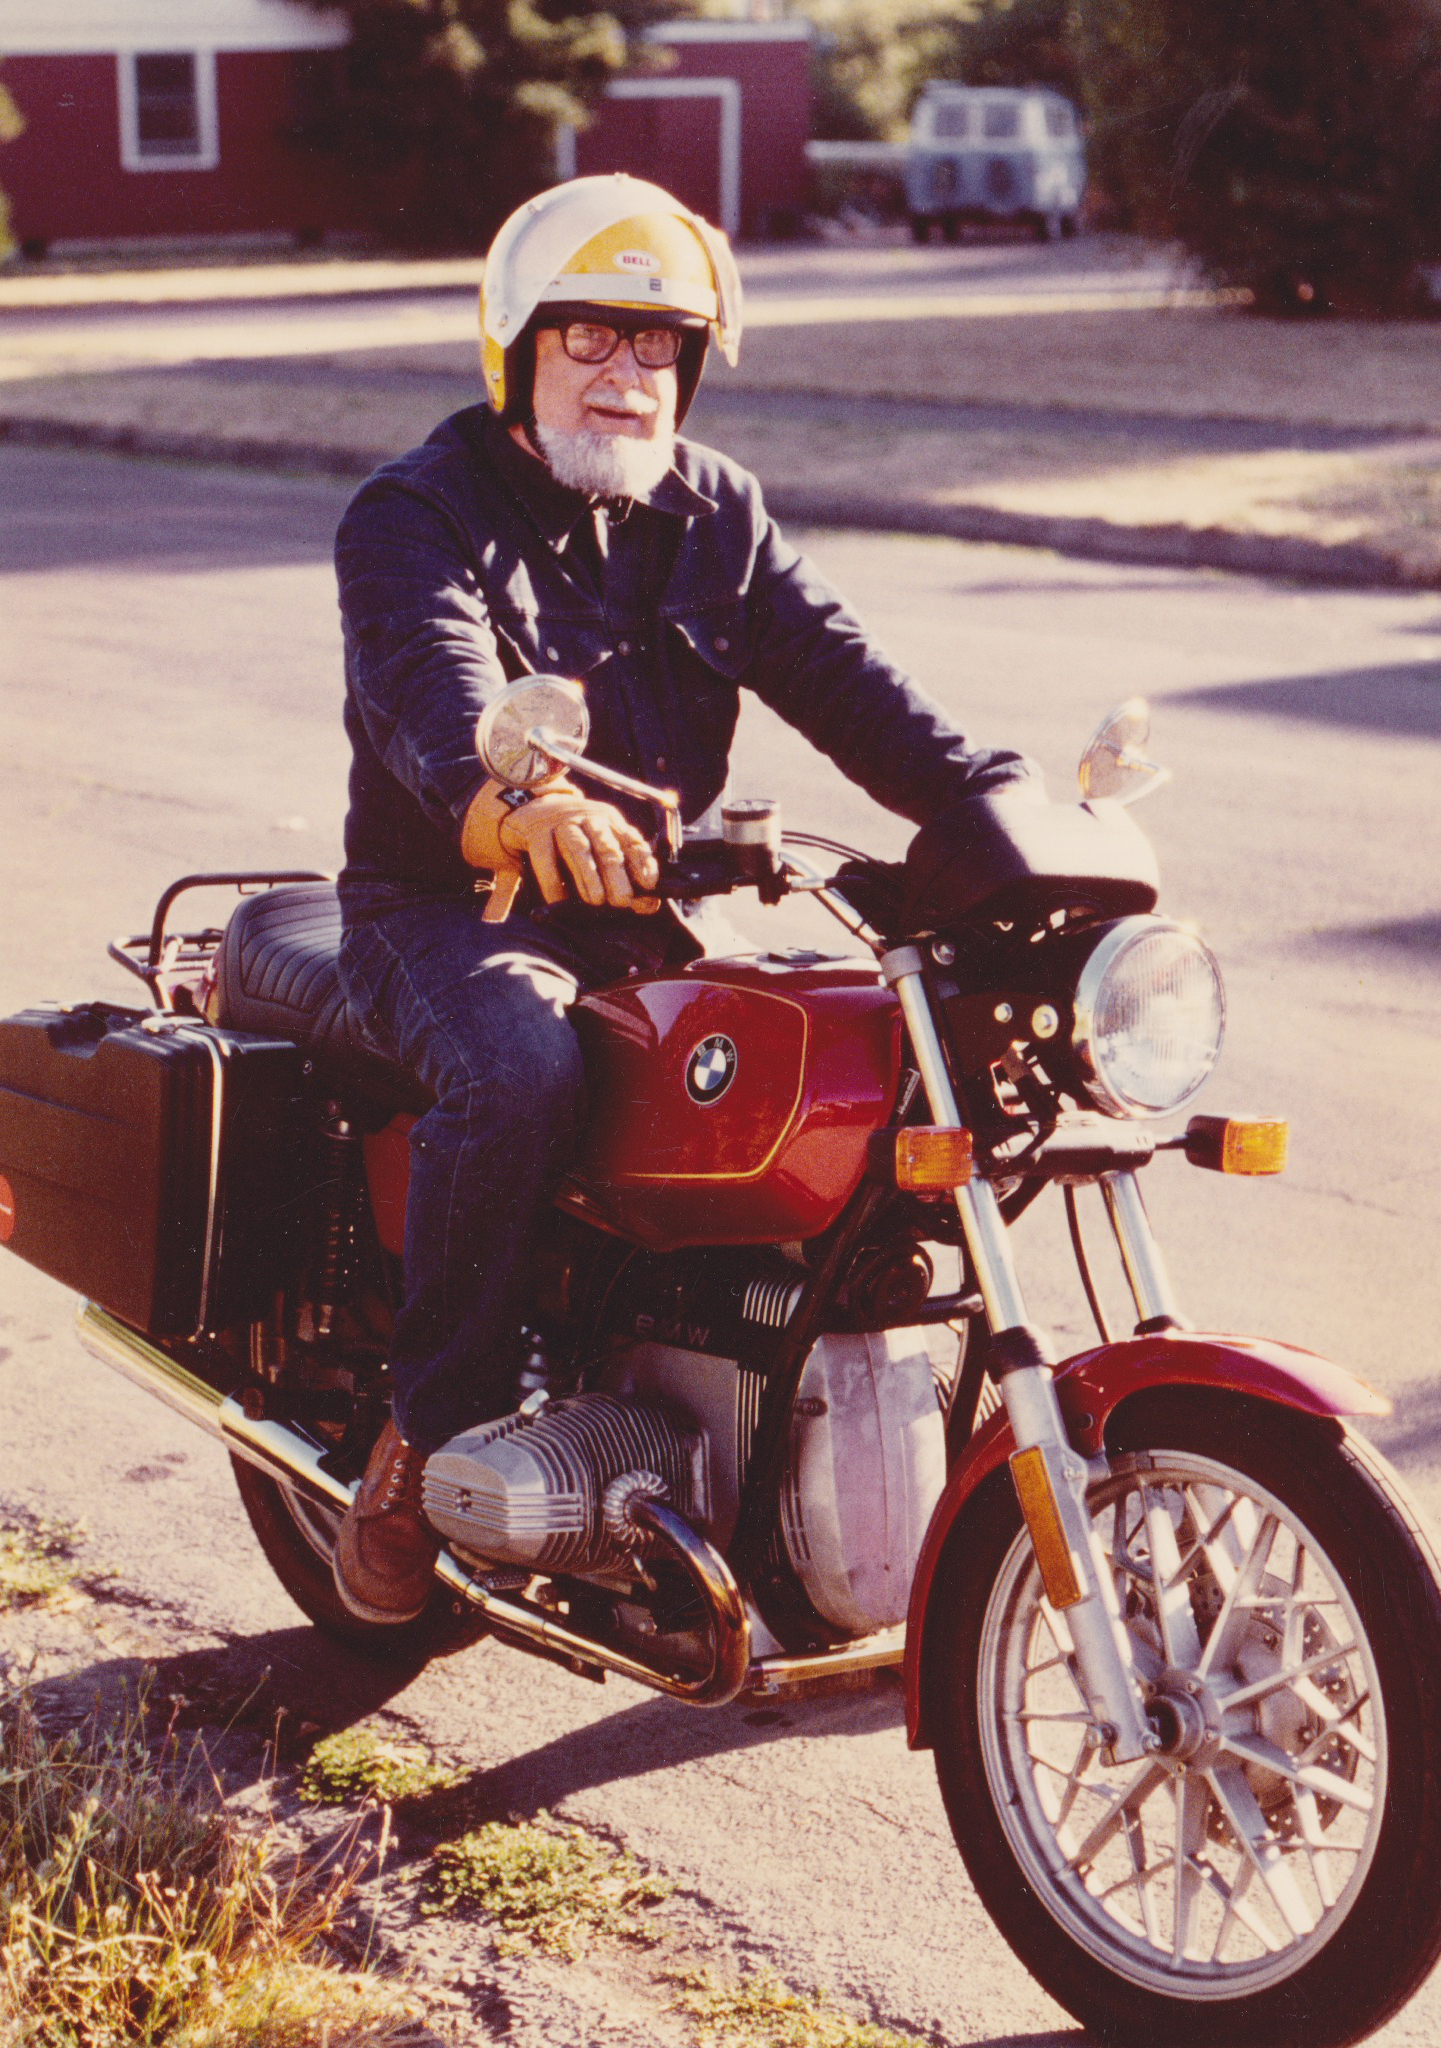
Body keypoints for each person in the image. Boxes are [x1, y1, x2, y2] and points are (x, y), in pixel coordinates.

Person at [330, 173, 1030, 1624]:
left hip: (643, 914)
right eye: (589, 334)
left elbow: (847, 681)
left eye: (658, 345)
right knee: (517, 1071)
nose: (627, 374)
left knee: (861, 1068)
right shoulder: (415, 510)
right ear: (515, 346)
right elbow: (431, 688)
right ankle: (424, 1436)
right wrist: (526, 802)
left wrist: (997, 809)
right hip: (450, 915)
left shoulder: (717, 514)